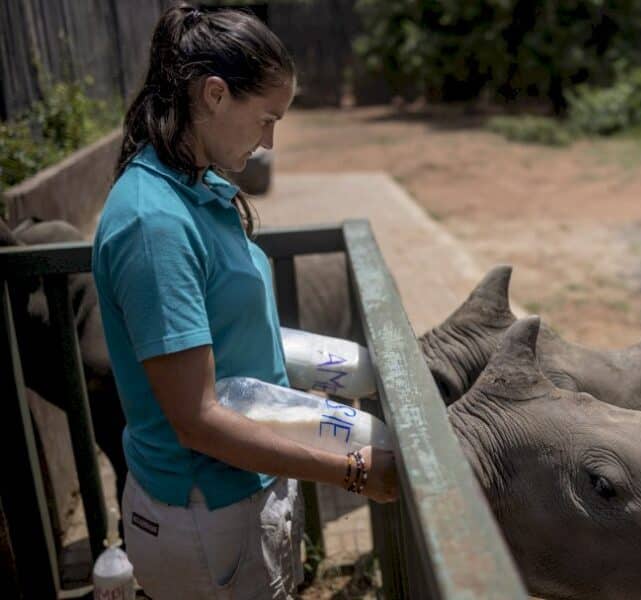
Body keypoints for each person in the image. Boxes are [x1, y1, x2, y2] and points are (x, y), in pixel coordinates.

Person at [91, 5, 398, 598]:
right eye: (265, 120)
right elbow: (197, 419)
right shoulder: (153, 224)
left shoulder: (197, 185)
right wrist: (354, 472)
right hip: (207, 514)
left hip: (243, 496)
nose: (269, 142)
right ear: (213, 95)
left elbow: (223, 337)